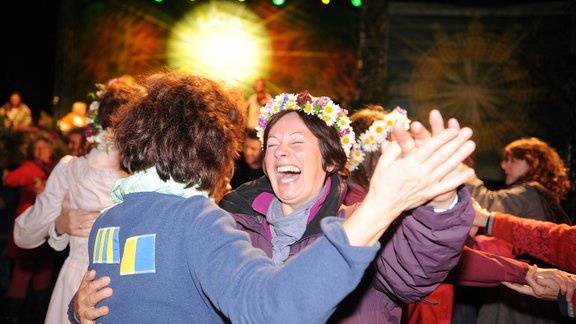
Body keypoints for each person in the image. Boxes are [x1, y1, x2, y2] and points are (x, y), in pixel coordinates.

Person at [72, 76, 476, 323]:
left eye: (297, 142)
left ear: (332, 159)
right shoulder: (222, 219)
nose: (281, 151)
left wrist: (438, 205)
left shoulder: (361, 221)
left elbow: (414, 272)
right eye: (273, 144)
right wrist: (79, 310)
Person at [347, 106, 576, 323]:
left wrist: (521, 271)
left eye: (512, 160)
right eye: (395, 148)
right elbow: (423, 265)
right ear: (372, 156)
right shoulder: (359, 209)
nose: (407, 157)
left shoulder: (529, 193)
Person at [12, 79, 136, 324]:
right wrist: (59, 225)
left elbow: (22, 234)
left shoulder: (71, 169)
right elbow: (23, 236)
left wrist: (59, 226)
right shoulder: (141, 180)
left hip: (79, 281)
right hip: (122, 287)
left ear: (93, 122)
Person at [464, 137, 572, 324]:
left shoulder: (529, 193)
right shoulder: (547, 199)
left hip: (520, 299)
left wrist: (459, 168)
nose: (504, 166)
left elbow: (486, 201)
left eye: (512, 160)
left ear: (533, 162)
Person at [2, 136, 55, 323]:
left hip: (45, 223)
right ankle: (13, 312)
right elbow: (11, 179)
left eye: (46, 146)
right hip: (30, 223)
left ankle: (39, 308)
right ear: (34, 151)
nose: (43, 150)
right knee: (24, 269)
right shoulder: (31, 168)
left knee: (43, 265)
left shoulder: (52, 167)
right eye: (39, 147)